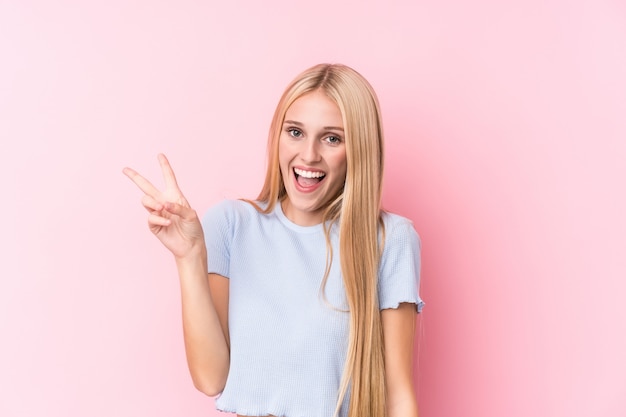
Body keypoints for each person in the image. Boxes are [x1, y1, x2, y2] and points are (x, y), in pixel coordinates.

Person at [123, 63, 424, 417]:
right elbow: (211, 378)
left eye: (332, 138)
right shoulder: (232, 225)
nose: (309, 155)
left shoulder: (391, 240)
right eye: (295, 132)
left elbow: (397, 395)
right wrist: (189, 256)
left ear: (359, 149)